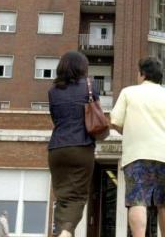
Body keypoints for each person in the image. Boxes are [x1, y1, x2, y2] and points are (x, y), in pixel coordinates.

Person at [110, 57, 165, 237]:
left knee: (137, 200)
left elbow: (115, 121)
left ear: (142, 74)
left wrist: (131, 131)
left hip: (136, 154)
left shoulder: (128, 93)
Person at [47, 51, 96, 237]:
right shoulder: (89, 86)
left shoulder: (52, 91)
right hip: (81, 147)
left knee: (62, 198)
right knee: (77, 197)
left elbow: (55, 119)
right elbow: (94, 115)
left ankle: (61, 233)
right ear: (82, 67)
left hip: (57, 148)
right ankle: (66, 232)